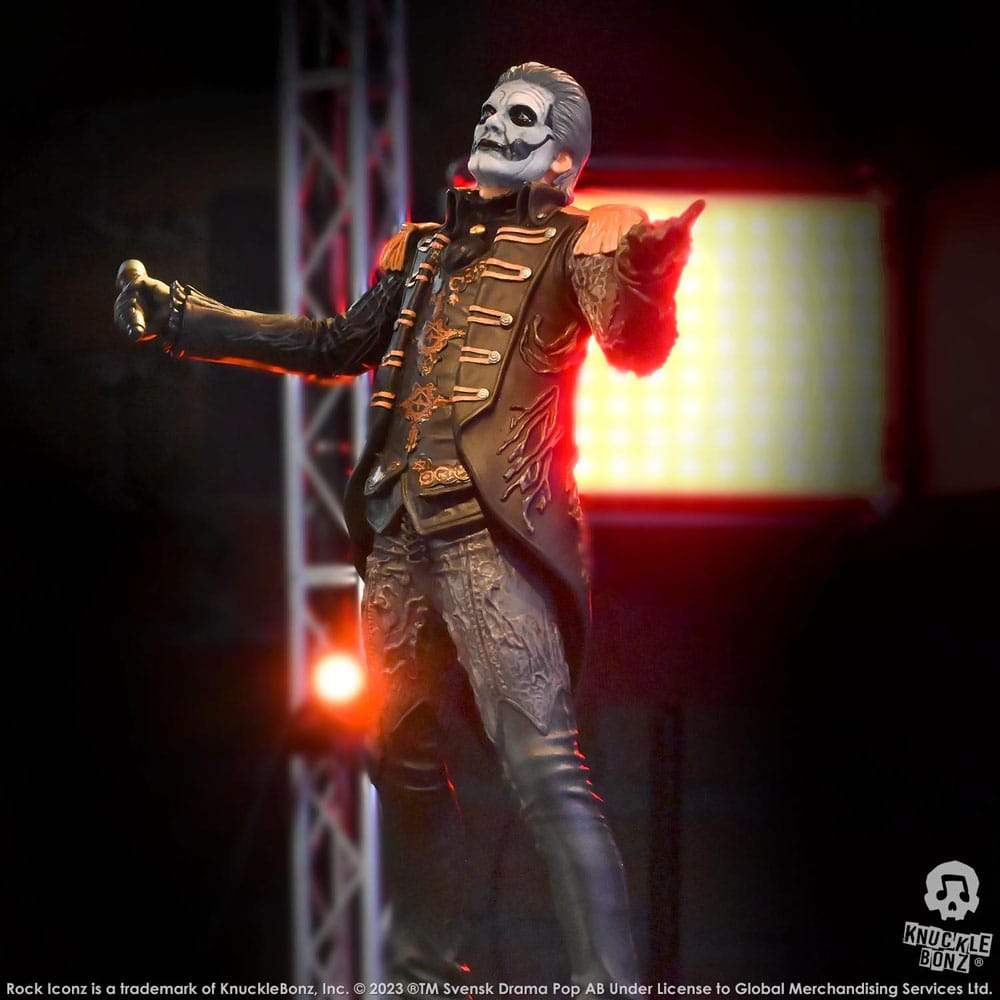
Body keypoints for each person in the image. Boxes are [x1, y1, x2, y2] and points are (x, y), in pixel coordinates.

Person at [114, 61, 703, 988]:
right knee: (400, 759)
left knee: (543, 768)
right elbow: (334, 344)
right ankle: (425, 969)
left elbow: (636, 345)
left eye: (523, 118)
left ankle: (609, 982)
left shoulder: (588, 238)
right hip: (396, 537)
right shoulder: (419, 251)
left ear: (563, 159)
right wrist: (186, 319)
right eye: (491, 110)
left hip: (491, 540)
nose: (496, 125)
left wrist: (651, 271)